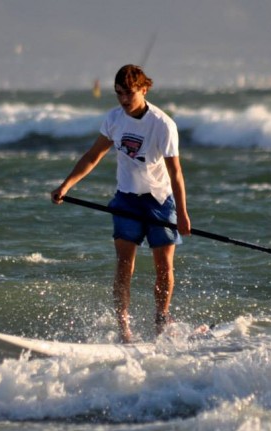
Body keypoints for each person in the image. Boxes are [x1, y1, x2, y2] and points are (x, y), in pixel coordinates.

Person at [51, 64, 191, 343]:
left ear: (144, 89)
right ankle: (123, 329)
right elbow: (93, 156)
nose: (124, 100)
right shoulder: (114, 119)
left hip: (159, 201)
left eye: (129, 93)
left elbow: (175, 172)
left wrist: (183, 215)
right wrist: (66, 185)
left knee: (164, 267)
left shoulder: (163, 125)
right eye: (118, 94)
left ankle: (161, 320)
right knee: (124, 264)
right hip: (126, 199)